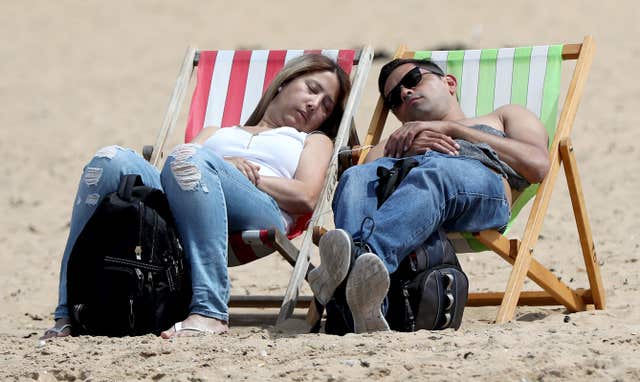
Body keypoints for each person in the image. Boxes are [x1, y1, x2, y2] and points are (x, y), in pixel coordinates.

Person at [41, 54, 351, 339]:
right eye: (312, 89)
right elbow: (173, 174)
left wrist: (236, 174)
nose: (315, 105)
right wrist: (219, 165)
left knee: (191, 157)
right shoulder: (216, 131)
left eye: (326, 105)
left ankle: (209, 312)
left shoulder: (313, 140)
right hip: (191, 198)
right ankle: (67, 312)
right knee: (109, 161)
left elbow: (307, 197)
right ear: (284, 82)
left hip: (262, 209)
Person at [308, 58, 550, 333]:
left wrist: (453, 130)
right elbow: (361, 188)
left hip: (482, 190)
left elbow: (538, 165)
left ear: (449, 83)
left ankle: (350, 270)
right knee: (355, 177)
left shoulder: (503, 116)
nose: (404, 93)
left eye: (413, 79)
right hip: (415, 206)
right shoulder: (398, 141)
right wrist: (410, 149)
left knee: (435, 170)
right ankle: (367, 305)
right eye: (393, 99)